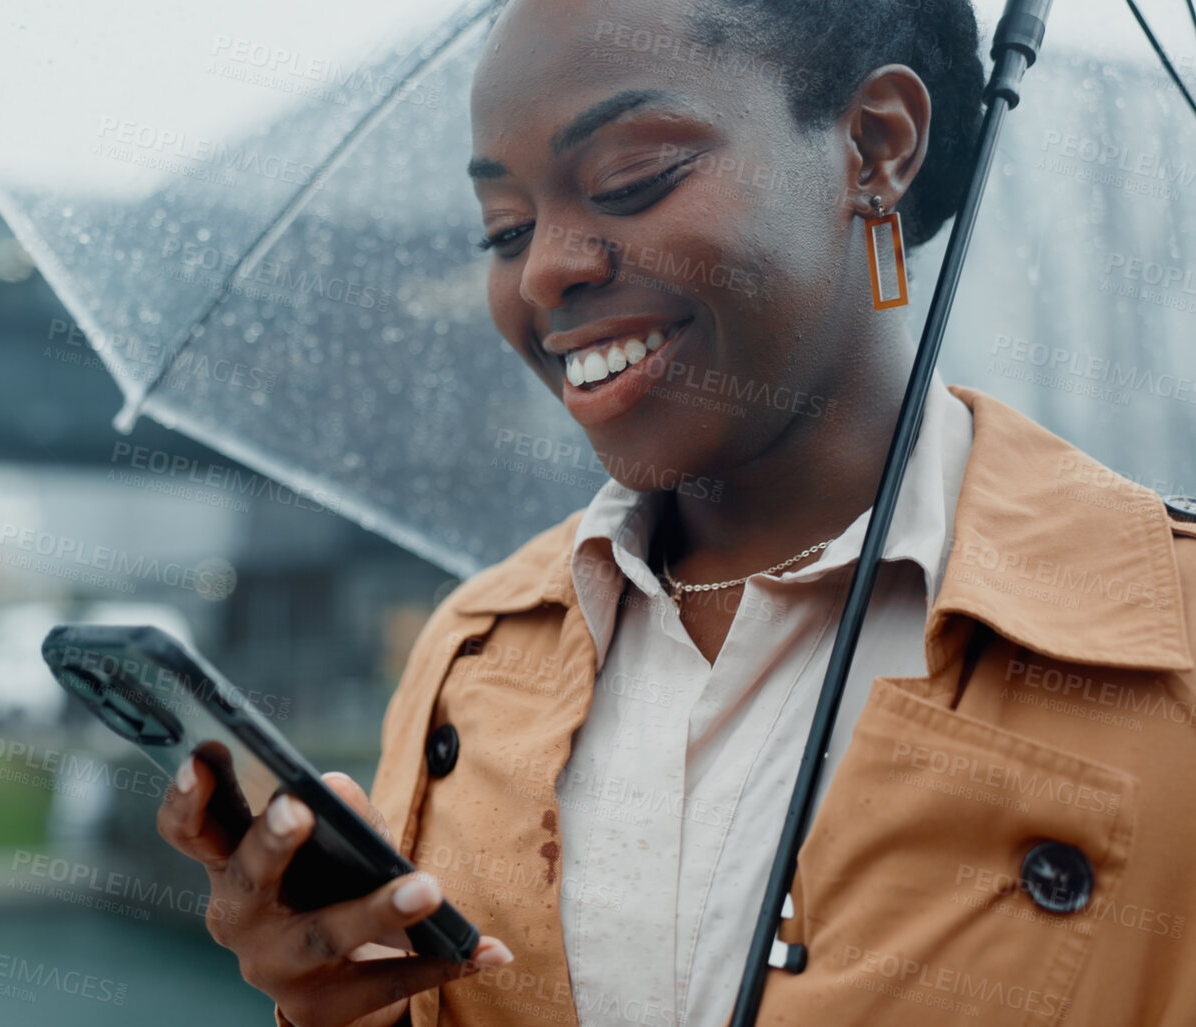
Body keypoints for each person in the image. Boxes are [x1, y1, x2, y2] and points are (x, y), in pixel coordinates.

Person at [159, 0, 1196, 1025]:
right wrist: (338, 1009)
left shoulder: (1172, 644)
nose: (549, 267)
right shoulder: (469, 657)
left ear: (875, 147)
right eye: (504, 230)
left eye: (630, 179)